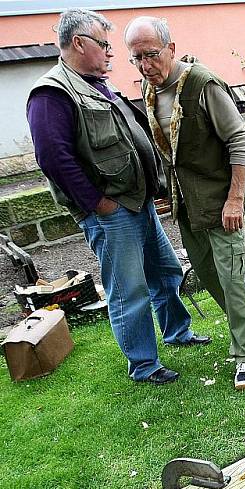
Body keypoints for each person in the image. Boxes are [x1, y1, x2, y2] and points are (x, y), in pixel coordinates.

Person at [26, 8, 210, 385]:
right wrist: (97, 203)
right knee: (129, 289)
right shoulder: (52, 93)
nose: (111, 53)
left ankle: (177, 332)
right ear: (78, 43)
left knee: (165, 272)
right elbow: (53, 157)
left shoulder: (94, 84)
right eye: (104, 44)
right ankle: (143, 364)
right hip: (111, 211)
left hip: (136, 203)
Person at [124, 16, 245, 390]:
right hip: (187, 206)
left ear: (170, 47)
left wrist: (236, 199)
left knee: (232, 278)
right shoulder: (150, 91)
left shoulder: (203, 84)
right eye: (136, 58)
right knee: (210, 275)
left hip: (221, 203)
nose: (145, 65)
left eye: (151, 55)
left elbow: (239, 141)